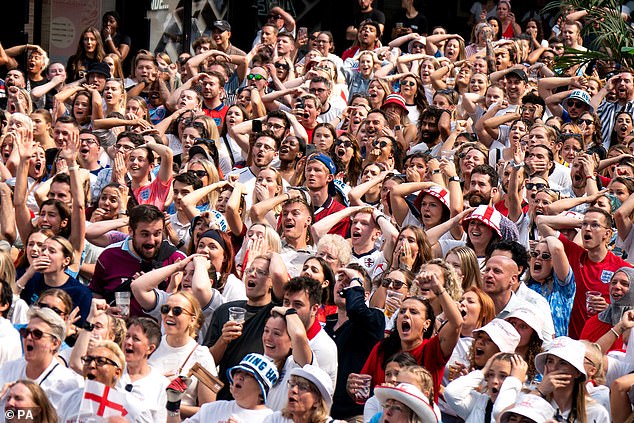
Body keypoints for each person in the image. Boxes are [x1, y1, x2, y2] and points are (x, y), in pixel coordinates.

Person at [89, 204, 186, 318]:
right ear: (131, 231)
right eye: (145, 234)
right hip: (118, 330)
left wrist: (156, 295)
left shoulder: (177, 260)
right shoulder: (109, 256)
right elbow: (96, 294)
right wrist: (104, 313)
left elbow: (189, 306)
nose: (151, 241)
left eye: (157, 234)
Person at [326, 264, 385, 420]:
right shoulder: (325, 327)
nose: (344, 284)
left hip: (354, 415)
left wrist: (356, 280)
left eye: (351, 281)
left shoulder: (374, 319)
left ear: (364, 295)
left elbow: (356, 310)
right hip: (323, 412)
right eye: (340, 279)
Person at [0, 308, 83, 409]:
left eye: (37, 334)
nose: (28, 338)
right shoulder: (8, 368)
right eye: (25, 332)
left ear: (55, 344)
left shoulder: (69, 384)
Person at [167, 353, 279, 423]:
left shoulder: (271, 419)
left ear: (261, 389)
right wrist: (173, 406)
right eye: (238, 372)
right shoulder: (211, 409)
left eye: (248, 375)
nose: (239, 376)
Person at [533, 337, 609, 421]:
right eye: (550, 361)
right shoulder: (533, 397)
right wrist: (539, 391)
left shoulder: (595, 412)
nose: (554, 368)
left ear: (577, 372)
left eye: (563, 363)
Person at [263, 365, 335, 423]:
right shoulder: (275, 419)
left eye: (302, 387)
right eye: (292, 385)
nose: (294, 390)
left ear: (317, 401)